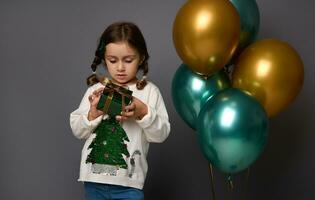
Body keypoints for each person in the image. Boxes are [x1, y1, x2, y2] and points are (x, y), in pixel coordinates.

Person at [70, 22, 170, 200]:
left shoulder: (149, 92)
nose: (120, 68)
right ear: (104, 59)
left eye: (128, 60)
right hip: (94, 181)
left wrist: (143, 112)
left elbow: (161, 134)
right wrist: (93, 114)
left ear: (141, 58)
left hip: (129, 184)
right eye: (113, 60)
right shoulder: (97, 90)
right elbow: (77, 130)